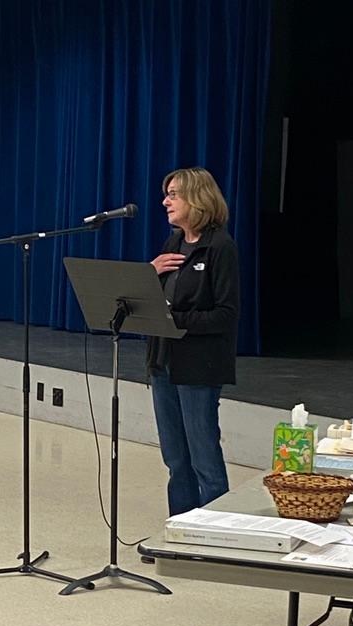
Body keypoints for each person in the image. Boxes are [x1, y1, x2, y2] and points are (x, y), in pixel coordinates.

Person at [147, 166, 239, 516]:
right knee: (175, 459)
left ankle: (214, 532)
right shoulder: (173, 242)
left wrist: (174, 321)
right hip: (163, 361)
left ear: (197, 198)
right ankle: (180, 528)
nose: (165, 202)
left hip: (199, 365)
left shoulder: (220, 247)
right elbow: (159, 299)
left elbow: (226, 315)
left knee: (204, 460)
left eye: (173, 195)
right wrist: (150, 274)